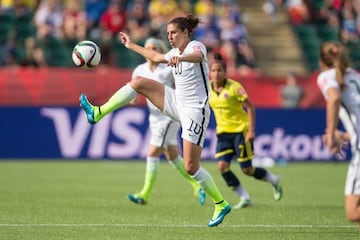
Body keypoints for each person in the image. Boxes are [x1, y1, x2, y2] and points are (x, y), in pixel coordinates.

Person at [79, 14, 231, 227]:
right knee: (139, 82)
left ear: (186, 32)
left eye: (174, 33)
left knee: (190, 166)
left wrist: (182, 58)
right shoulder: (172, 53)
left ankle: (221, 203)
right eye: (168, 33)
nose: (169, 37)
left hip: (195, 111)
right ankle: (98, 112)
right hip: (176, 102)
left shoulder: (195, 46)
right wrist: (132, 45)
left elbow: (197, 56)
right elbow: (154, 55)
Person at [125, 37, 206, 206]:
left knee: (152, 153)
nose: (151, 49)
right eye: (148, 47)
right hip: (154, 118)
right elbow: (135, 91)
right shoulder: (139, 70)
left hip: (168, 116)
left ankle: (144, 194)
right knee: (173, 156)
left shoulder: (166, 68)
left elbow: (180, 85)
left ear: (159, 50)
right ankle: (197, 186)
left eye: (154, 47)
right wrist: (132, 99)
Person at [209, 53, 283, 209]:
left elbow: (250, 107)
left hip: (240, 132)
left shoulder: (235, 87)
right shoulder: (208, 89)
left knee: (247, 170)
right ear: (210, 73)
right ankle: (245, 197)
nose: (216, 74)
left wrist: (251, 130)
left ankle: (273, 179)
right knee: (222, 166)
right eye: (213, 71)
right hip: (223, 133)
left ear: (225, 72)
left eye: (219, 70)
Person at [317, 41, 360, 224]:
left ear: (321, 62)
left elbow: (333, 98)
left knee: (353, 213)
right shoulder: (355, 76)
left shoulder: (327, 76)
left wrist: (331, 132)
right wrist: (344, 136)